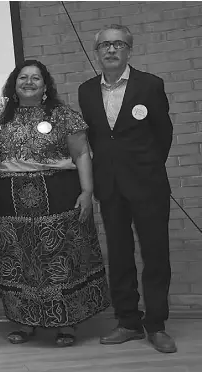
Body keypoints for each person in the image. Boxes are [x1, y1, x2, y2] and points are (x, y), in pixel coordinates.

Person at [0, 60, 110, 347]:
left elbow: (81, 154)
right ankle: (25, 322)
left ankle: (66, 322)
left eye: (36, 78)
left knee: (61, 259)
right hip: (8, 203)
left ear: (45, 86)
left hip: (59, 200)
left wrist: (87, 191)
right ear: (13, 84)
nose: (29, 82)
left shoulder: (63, 115)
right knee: (16, 261)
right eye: (23, 77)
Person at [78, 25, 176, 353]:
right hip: (110, 187)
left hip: (148, 185)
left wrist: (145, 168)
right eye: (104, 45)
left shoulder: (150, 85)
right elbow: (95, 140)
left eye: (117, 44)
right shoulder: (87, 90)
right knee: (119, 256)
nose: (110, 50)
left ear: (128, 51)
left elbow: (163, 134)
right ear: (97, 52)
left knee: (155, 255)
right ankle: (128, 322)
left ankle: (157, 324)